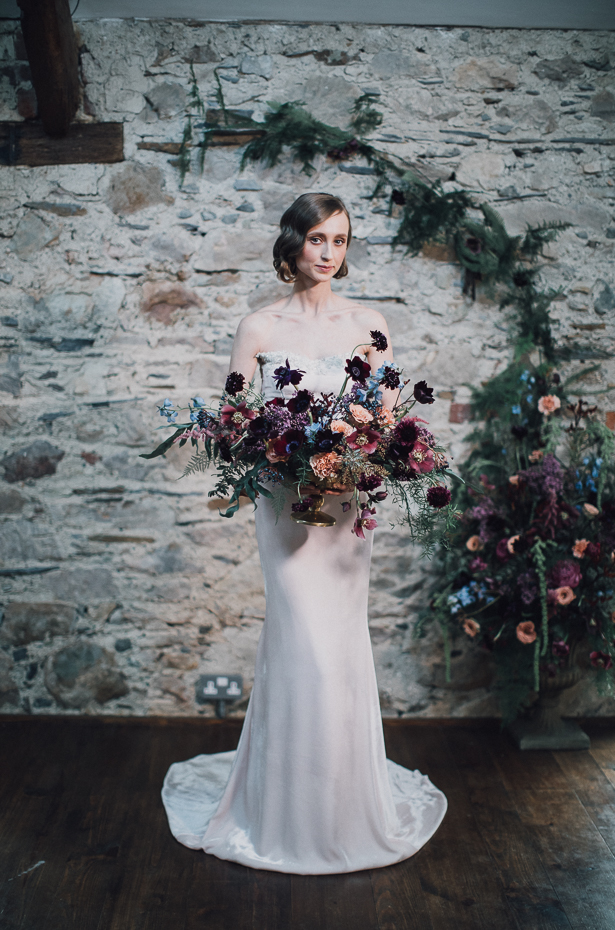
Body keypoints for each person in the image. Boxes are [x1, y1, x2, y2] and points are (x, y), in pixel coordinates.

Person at [161, 192, 447, 875]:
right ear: (293, 243)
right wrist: (277, 451)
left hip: (347, 507)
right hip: (285, 506)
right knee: (300, 645)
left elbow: (387, 423)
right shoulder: (258, 326)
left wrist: (360, 450)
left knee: (340, 648)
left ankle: (341, 808)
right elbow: (232, 424)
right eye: (318, 238)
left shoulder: (369, 324)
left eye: (340, 240)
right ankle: (279, 811)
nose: (328, 252)